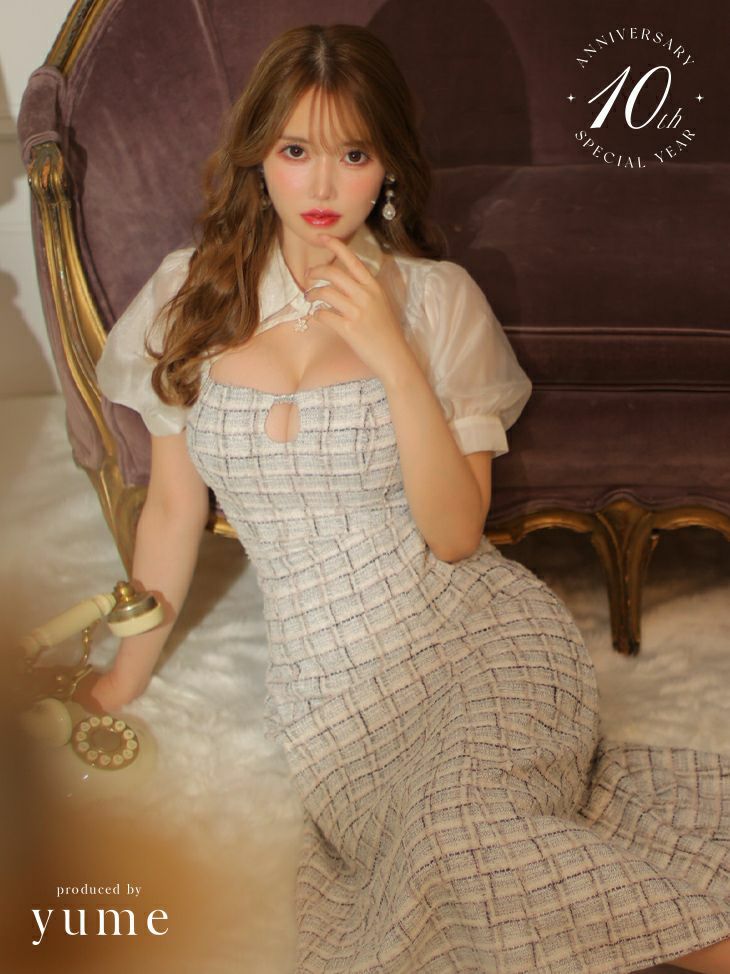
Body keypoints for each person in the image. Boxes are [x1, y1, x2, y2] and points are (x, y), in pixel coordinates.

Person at [88, 22, 730, 974]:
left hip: (480, 643)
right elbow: (175, 513)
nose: (321, 183)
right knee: (441, 850)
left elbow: (457, 535)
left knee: (463, 836)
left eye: (353, 154)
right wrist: (120, 680)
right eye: (296, 151)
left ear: (386, 166)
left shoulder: (436, 301)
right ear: (257, 156)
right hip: (333, 694)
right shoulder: (190, 297)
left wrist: (392, 355)